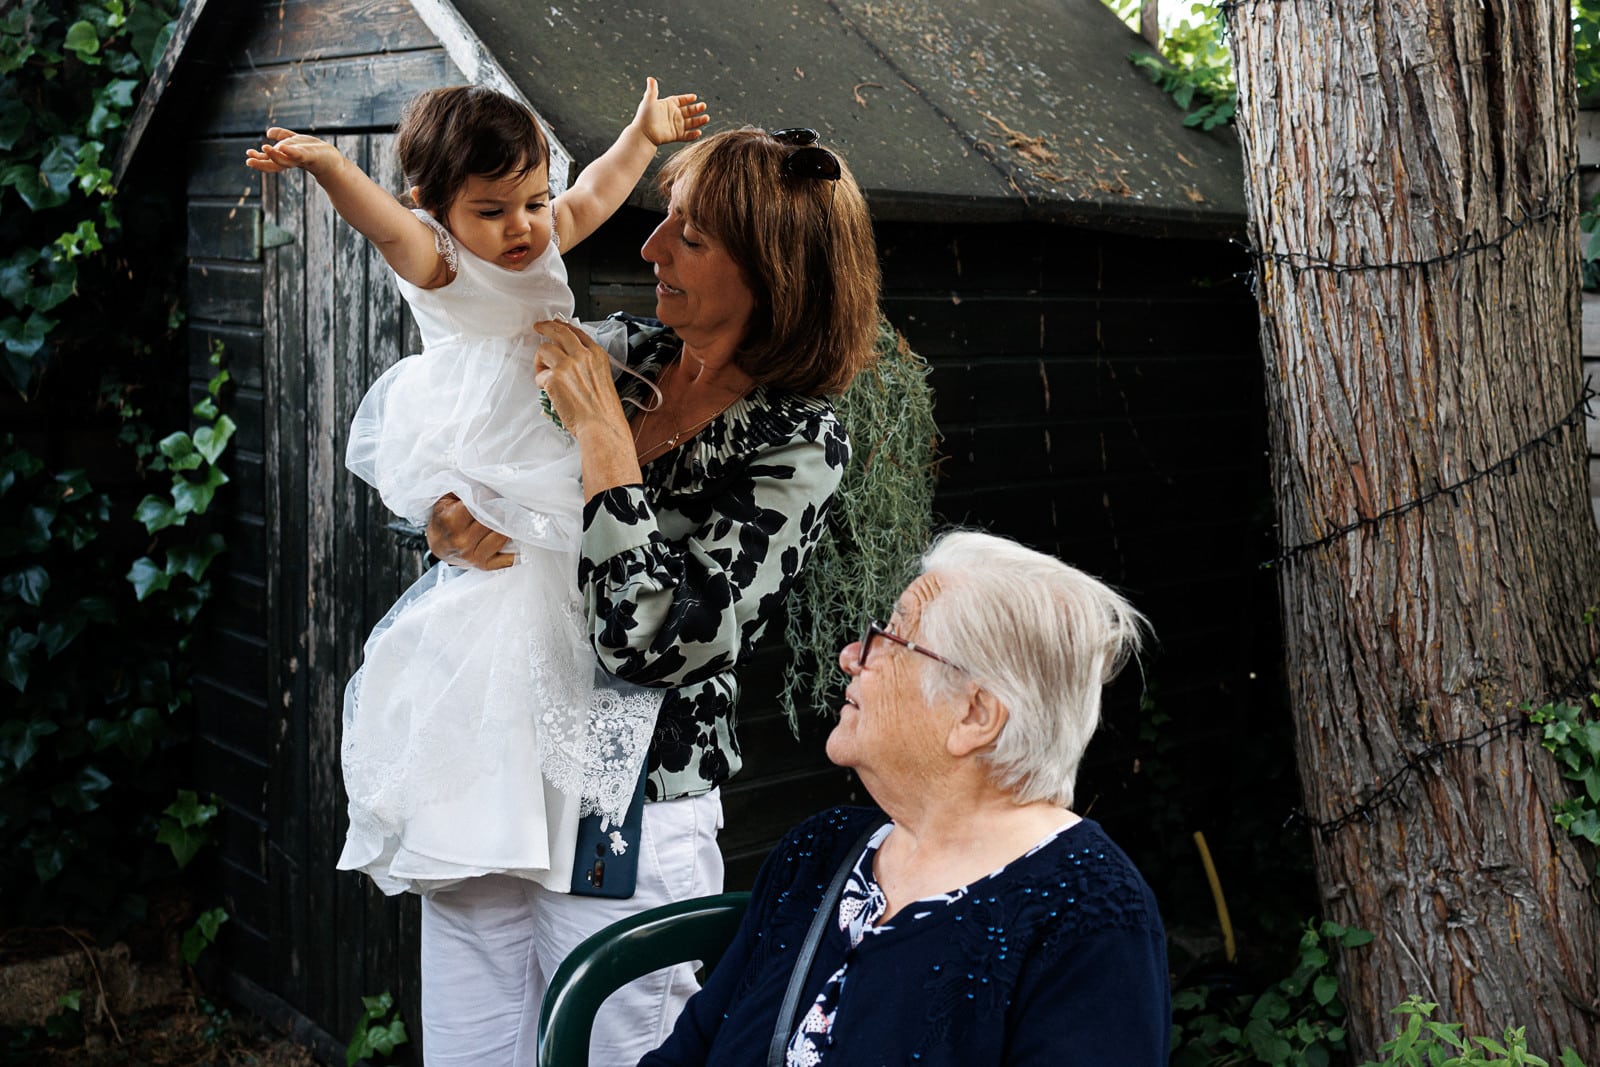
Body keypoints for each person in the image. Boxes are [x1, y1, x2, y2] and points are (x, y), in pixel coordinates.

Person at [245, 82, 713, 1062]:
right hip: (493, 463)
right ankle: (507, 809)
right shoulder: (435, 259)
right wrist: (332, 166)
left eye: (532, 203)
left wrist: (640, 133)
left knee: (561, 621)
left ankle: (554, 816)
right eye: (490, 212)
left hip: (550, 464)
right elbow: (384, 226)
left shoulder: (545, 233)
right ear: (439, 213)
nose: (523, 230)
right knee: (499, 630)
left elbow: (593, 194)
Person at [425, 126, 881, 1065]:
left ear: (774, 273)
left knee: (620, 1049)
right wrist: (443, 521)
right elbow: (464, 436)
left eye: (691, 236)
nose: (648, 250)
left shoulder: (796, 442)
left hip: (627, 801)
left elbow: (659, 642)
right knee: (465, 1047)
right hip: (499, 755)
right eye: (664, 218)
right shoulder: (619, 350)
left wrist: (601, 436)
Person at [640, 530, 1171, 1067]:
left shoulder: (1090, 918)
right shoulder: (820, 852)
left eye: (891, 638)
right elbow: (689, 1054)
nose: (850, 656)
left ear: (975, 716)